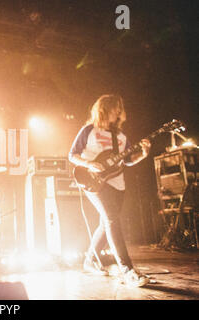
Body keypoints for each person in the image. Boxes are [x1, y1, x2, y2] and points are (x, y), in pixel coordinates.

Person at [68, 94, 151, 287]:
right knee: (112, 219)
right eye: (116, 107)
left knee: (107, 224)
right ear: (104, 109)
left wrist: (143, 155)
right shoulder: (88, 130)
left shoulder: (121, 137)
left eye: (120, 108)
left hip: (117, 184)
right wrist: (89, 163)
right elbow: (72, 155)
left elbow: (128, 161)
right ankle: (127, 270)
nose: (119, 111)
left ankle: (89, 260)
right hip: (93, 181)